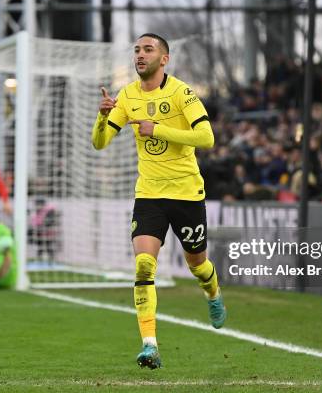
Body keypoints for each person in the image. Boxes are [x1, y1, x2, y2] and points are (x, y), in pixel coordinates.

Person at [91, 33, 225, 369]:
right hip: (149, 193)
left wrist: (158, 129)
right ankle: (149, 344)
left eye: (148, 50)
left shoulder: (182, 93)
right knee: (144, 265)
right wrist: (102, 117)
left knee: (198, 264)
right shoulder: (128, 95)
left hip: (186, 193)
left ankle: (212, 293)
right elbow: (100, 142)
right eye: (136, 50)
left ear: (164, 59)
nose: (140, 55)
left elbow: (207, 137)